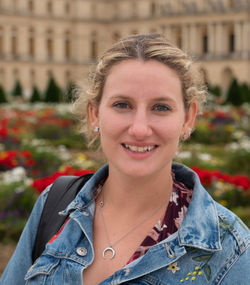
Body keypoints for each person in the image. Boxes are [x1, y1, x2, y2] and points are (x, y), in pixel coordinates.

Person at [1, 34, 249, 285]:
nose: (139, 129)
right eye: (122, 104)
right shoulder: (53, 206)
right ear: (95, 114)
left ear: (188, 118)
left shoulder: (232, 251)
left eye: (161, 107)